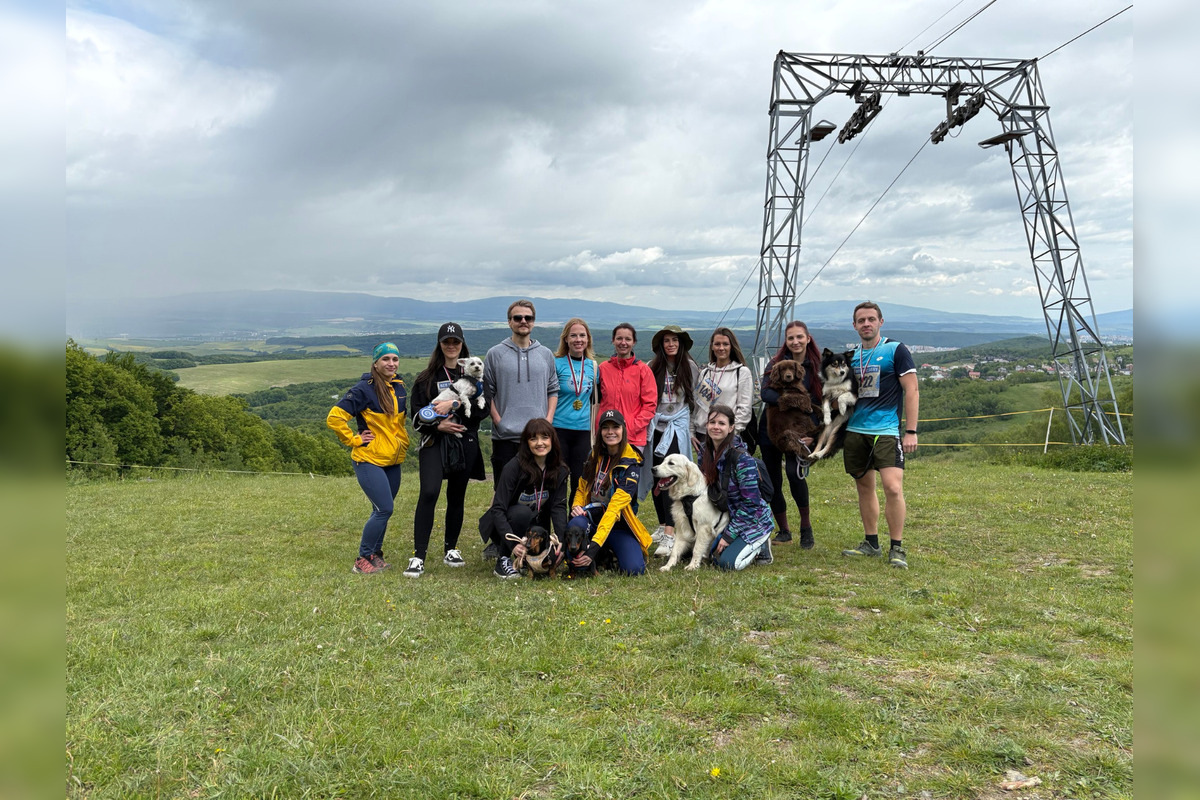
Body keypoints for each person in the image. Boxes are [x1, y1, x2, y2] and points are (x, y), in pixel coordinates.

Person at [839, 301, 919, 569]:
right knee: (864, 487)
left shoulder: (895, 350)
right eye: (861, 320)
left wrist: (911, 431)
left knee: (893, 488)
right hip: (855, 430)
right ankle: (871, 543)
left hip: (886, 429)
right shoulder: (850, 357)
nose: (866, 324)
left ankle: (897, 547)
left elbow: (912, 390)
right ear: (854, 325)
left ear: (880, 322)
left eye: (871, 319)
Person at [406, 322, 489, 578]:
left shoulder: (476, 378)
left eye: (456, 342)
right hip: (434, 442)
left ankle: (450, 549)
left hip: (464, 443)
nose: (451, 346)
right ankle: (419, 555)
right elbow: (417, 415)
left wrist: (453, 404)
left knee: (456, 496)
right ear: (440, 345)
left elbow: (482, 411)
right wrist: (437, 425)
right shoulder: (425, 378)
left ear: (462, 345)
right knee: (429, 493)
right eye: (446, 342)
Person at [482, 299, 559, 560]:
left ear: (534, 321)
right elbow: (487, 391)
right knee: (504, 494)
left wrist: (547, 421)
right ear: (509, 322)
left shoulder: (545, 354)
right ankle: (497, 541)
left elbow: (552, 390)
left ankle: (544, 540)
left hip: (539, 439)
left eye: (527, 317)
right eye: (517, 318)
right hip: (506, 436)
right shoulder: (495, 353)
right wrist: (498, 420)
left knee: (540, 491)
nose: (523, 322)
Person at [326, 342, 410, 574]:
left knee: (383, 509)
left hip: (393, 460)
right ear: (375, 362)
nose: (391, 364)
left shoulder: (399, 387)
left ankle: (375, 555)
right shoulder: (364, 389)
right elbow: (334, 418)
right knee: (384, 509)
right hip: (369, 459)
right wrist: (354, 439)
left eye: (395, 359)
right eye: (385, 359)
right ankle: (362, 559)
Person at [759, 320, 823, 548]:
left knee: (795, 476)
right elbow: (765, 393)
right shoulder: (775, 364)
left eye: (799, 337)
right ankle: (784, 530)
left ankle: (806, 527)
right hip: (770, 430)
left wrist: (815, 434)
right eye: (790, 338)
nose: (795, 341)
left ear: (808, 338)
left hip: (800, 431)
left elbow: (821, 403)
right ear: (786, 342)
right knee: (773, 479)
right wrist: (790, 401)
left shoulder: (816, 367)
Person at [481, 418, 570, 579]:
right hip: (504, 523)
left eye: (545, 437)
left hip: (534, 525)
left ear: (552, 440)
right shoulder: (513, 467)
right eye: (533, 438)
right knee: (521, 513)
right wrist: (514, 544)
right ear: (526, 443)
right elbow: (498, 508)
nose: (539, 443)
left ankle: (526, 559)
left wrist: (561, 540)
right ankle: (503, 560)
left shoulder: (560, 470)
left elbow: (558, 507)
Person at [566, 409, 652, 576]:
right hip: (591, 521)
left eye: (615, 427)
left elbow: (613, 510)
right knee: (575, 528)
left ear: (623, 430)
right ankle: (598, 554)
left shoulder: (631, 464)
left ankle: (602, 551)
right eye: (605, 428)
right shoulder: (593, 455)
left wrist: (594, 547)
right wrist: (577, 505)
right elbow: (582, 487)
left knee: (634, 570)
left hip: (617, 525)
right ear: (600, 432)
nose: (610, 432)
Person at [640, 325, 699, 558]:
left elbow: (694, 398)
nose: (671, 344)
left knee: (670, 478)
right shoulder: (652, 367)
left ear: (681, 343)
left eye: (675, 340)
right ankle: (663, 521)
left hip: (678, 426)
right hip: (657, 424)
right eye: (667, 341)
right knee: (657, 475)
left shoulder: (691, 367)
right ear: (661, 345)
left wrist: (692, 430)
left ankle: (670, 532)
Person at [700, 404, 774, 571]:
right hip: (725, 517)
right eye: (712, 422)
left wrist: (728, 536)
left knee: (727, 564)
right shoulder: (704, 451)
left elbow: (751, 504)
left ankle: (762, 544)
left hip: (752, 520)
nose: (716, 427)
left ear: (731, 427)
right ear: (706, 425)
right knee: (711, 557)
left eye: (721, 423)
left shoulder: (742, 459)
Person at [595, 323, 657, 455]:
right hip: (606, 436)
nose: (623, 343)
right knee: (603, 475)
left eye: (628, 339)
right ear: (613, 341)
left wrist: (630, 427)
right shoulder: (603, 368)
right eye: (619, 338)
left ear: (634, 342)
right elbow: (597, 400)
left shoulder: (643, 370)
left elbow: (650, 405)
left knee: (629, 475)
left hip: (632, 438)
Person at [552, 318, 598, 491]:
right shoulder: (556, 363)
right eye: (573, 336)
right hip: (559, 429)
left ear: (588, 339)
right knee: (558, 478)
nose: (578, 339)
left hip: (583, 431)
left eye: (582, 335)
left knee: (580, 480)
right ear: (566, 339)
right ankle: (558, 518)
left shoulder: (594, 367)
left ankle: (575, 517)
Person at [691, 327, 753, 452]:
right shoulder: (705, 373)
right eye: (717, 344)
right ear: (712, 347)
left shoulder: (741, 372)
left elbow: (745, 408)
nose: (721, 348)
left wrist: (732, 433)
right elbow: (696, 406)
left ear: (732, 346)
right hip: (702, 434)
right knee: (704, 471)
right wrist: (691, 431)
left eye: (725, 344)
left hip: (727, 436)